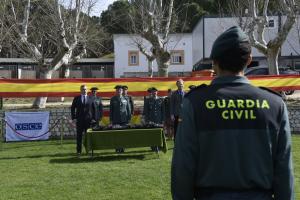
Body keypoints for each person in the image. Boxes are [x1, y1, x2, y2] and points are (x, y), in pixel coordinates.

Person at [171, 26, 294, 200]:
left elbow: (183, 167)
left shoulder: (195, 103)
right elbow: (284, 172)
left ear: (214, 62)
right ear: (249, 60)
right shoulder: (275, 104)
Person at [71, 85, 96, 156]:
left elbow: (94, 109)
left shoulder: (91, 98)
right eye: (82, 89)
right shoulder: (76, 98)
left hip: (88, 121)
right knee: (79, 137)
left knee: (88, 137)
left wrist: (94, 119)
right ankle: (79, 152)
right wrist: (74, 118)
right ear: (80, 90)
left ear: (87, 90)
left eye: (85, 89)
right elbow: (72, 108)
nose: (84, 91)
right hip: (79, 121)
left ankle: (88, 151)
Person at [110, 85, 131, 153]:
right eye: (117, 90)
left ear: (122, 91)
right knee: (116, 134)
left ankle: (122, 148)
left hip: (124, 119)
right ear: (116, 91)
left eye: (120, 90)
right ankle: (117, 148)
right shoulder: (113, 99)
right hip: (116, 119)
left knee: (123, 134)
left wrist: (129, 118)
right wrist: (111, 119)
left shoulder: (126, 98)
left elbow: (128, 109)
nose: (119, 91)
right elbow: (111, 110)